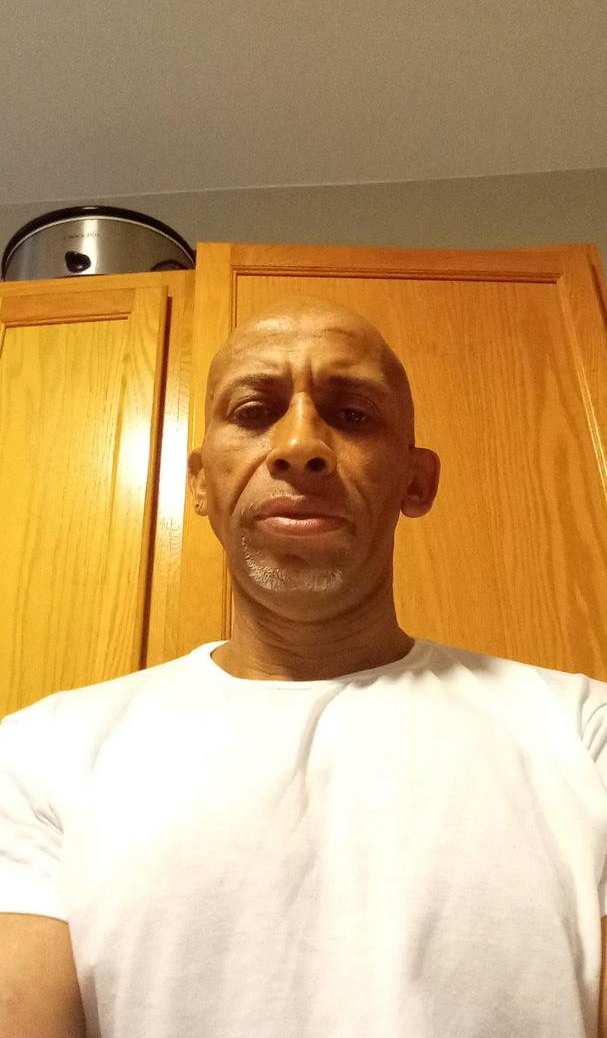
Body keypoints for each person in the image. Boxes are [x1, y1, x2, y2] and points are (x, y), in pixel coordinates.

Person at [1, 296, 607, 1038]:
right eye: (254, 412)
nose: (298, 446)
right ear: (201, 482)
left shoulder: (586, 734)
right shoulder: (37, 756)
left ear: (416, 482)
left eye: (351, 415)